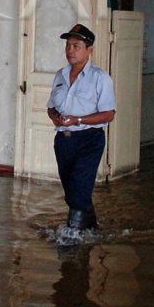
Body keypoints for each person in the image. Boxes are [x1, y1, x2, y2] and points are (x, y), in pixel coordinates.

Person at [46, 23, 116, 232]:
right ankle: (92, 228)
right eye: (68, 46)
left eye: (76, 46)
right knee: (72, 190)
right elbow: (50, 108)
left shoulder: (100, 77)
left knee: (79, 185)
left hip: (89, 139)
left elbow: (109, 114)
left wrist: (78, 120)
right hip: (64, 141)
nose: (70, 50)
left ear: (89, 50)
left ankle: (71, 236)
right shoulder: (60, 75)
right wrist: (55, 118)